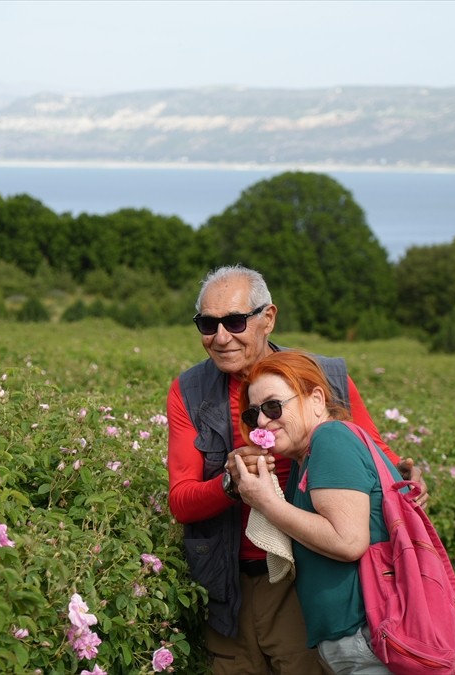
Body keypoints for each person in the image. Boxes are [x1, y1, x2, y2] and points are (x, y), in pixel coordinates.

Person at [166, 265, 423, 674]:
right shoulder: (189, 391)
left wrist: (403, 478)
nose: (220, 337)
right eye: (208, 323)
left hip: (307, 574)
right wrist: (231, 483)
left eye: (234, 322)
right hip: (228, 580)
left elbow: (374, 453)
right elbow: (181, 501)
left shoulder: (322, 378)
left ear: (268, 319)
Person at [233, 350, 397, 675]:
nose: (263, 421)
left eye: (273, 406)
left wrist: (266, 502)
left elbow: (348, 541)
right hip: (357, 640)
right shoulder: (304, 459)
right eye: (253, 415)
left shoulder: (330, 439)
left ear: (317, 399)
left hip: (367, 635)